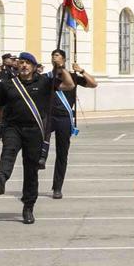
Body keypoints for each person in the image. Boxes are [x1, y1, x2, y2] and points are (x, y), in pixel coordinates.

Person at [0, 52, 56, 224]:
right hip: (13, 127)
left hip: (34, 130)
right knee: (8, 152)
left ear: (34, 66)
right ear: (17, 66)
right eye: (22, 63)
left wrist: (59, 66)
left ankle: (28, 207)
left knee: (31, 170)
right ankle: (0, 177)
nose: (24, 65)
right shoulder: (9, 85)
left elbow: (68, 85)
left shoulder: (44, 82)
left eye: (28, 63)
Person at [44, 49, 97, 199]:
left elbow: (93, 84)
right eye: (53, 56)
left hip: (64, 118)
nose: (55, 58)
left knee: (62, 153)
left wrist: (81, 70)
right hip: (48, 116)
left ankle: (57, 187)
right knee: (40, 144)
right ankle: (41, 159)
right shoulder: (47, 77)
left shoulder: (72, 76)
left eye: (58, 56)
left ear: (64, 59)